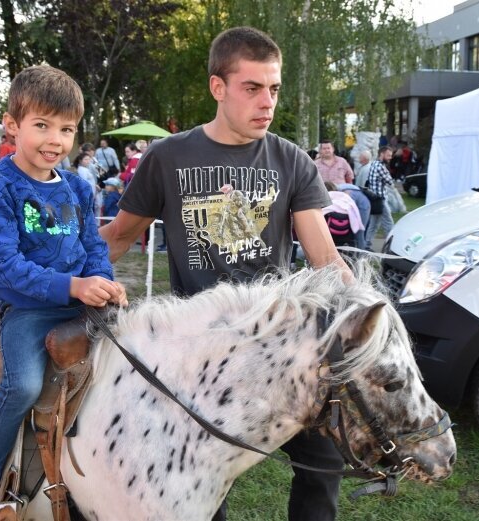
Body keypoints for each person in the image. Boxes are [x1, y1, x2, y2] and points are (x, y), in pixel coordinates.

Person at [100, 26, 351, 521]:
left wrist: (369, 314)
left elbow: (325, 259)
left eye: (274, 89)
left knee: (324, 462)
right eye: (252, 88)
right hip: (199, 351)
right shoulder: (168, 157)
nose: (268, 102)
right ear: (219, 88)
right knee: (198, 476)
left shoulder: (290, 161)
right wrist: (56, 278)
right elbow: (120, 236)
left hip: (277, 343)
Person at [0, 65, 127, 521]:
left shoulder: (76, 185)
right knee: (23, 385)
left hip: (79, 301)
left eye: (67, 129)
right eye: (42, 125)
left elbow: (93, 245)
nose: (55, 139)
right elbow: (7, 266)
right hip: (28, 307)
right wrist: (72, 285)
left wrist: (103, 281)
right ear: (12, 126)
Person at [364, 146, 396, 251]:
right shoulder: (381, 167)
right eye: (388, 155)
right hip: (381, 199)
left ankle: (366, 244)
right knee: (388, 222)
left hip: (374, 199)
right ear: (382, 154)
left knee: (374, 223)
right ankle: (391, 246)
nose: (390, 158)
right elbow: (390, 182)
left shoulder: (373, 164)